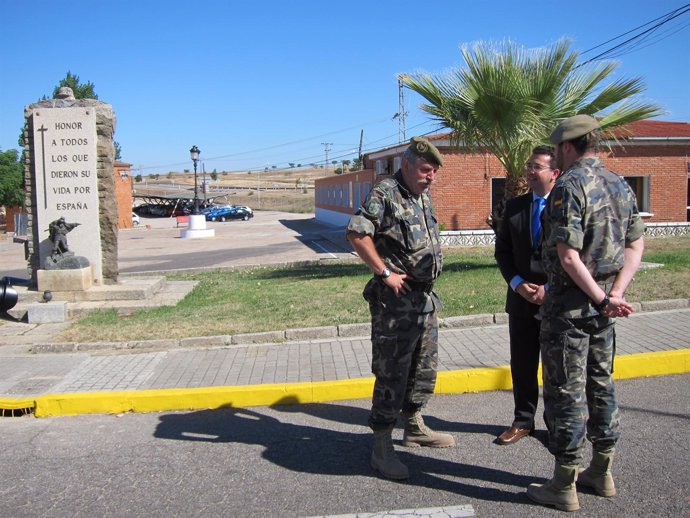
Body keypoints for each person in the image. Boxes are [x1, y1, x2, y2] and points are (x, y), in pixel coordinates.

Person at [526, 115, 646, 512]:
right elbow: (636, 245)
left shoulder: (569, 185)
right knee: (601, 385)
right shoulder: (619, 184)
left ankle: (564, 484)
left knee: (565, 392)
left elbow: (568, 255)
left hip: (571, 311)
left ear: (567, 146)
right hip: (604, 310)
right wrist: (616, 294)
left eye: (557, 146)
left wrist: (599, 298)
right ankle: (602, 470)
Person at [346, 136, 454, 480]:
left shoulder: (421, 196)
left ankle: (415, 426)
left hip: (424, 301)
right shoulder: (385, 193)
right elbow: (357, 233)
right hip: (395, 305)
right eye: (425, 169)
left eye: (434, 171)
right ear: (407, 164)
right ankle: (381, 446)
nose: (431, 176)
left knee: (423, 370)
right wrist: (386, 272)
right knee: (392, 373)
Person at [494, 146, 559, 445]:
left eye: (537, 167)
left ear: (554, 173)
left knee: (556, 368)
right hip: (520, 299)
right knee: (522, 364)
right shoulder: (514, 206)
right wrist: (518, 283)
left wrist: (550, 286)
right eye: (528, 166)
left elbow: (578, 256)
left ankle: (556, 425)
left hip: (555, 301)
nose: (529, 171)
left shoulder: (566, 207)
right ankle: (523, 421)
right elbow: (503, 252)